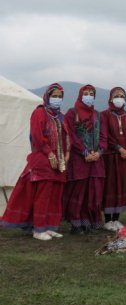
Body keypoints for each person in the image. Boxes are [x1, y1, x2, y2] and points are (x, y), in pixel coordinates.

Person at [1, 83, 71, 240]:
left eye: (60, 97)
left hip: (59, 163)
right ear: (47, 96)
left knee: (55, 195)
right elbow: (38, 137)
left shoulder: (61, 116)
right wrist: (50, 155)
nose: (57, 99)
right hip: (43, 160)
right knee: (43, 195)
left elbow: (67, 137)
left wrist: (66, 154)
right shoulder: (39, 113)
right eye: (54, 96)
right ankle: (39, 229)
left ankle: (51, 226)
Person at [63, 84, 107, 233]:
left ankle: (92, 221)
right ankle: (76, 223)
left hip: (96, 160)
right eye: (86, 93)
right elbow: (71, 135)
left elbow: (103, 136)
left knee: (94, 191)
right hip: (79, 159)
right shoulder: (72, 113)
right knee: (78, 191)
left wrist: (99, 152)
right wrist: (84, 151)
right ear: (80, 95)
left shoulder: (98, 115)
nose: (89, 96)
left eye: (91, 93)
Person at [100, 87, 126, 231]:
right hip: (111, 158)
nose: (119, 98)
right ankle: (108, 220)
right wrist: (120, 149)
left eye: (122, 96)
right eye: (116, 95)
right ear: (110, 98)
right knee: (111, 187)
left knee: (123, 186)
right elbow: (106, 136)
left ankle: (116, 219)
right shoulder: (104, 115)